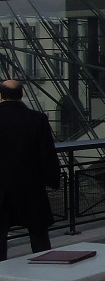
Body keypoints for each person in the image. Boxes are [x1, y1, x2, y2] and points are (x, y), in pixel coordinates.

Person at [0, 80, 61, 261]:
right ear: (22, 95)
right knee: (38, 232)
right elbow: (47, 154)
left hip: (1, 186)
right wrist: (53, 180)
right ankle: (44, 266)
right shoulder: (37, 119)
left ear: (1, 95)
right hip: (30, 185)